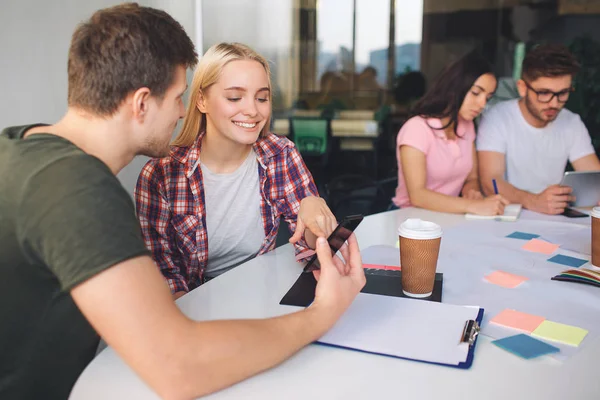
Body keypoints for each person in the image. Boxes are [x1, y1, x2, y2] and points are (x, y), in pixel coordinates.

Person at [0, 5, 365, 400]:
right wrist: (322, 314)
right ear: (141, 103)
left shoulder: (18, 147)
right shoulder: (76, 190)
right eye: (177, 97)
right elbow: (178, 367)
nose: (181, 110)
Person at [135, 43, 338, 298]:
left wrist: (313, 218)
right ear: (201, 100)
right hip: (194, 309)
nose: (253, 110)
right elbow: (163, 276)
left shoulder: (279, 154)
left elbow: (312, 252)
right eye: (234, 98)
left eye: (262, 98)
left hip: (262, 295)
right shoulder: (160, 176)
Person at [477, 44, 600, 215]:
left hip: (557, 218)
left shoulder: (571, 122)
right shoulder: (497, 118)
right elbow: (490, 182)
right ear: (522, 88)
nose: (554, 103)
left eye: (563, 93)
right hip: (508, 217)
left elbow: (594, 178)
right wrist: (533, 201)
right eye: (544, 93)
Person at [391, 51, 509, 215]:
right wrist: (472, 206)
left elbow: (471, 178)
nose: (482, 104)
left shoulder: (467, 126)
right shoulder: (417, 128)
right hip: (409, 218)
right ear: (454, 88)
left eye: (487, 97)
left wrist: (471, 191)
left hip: (448, 216)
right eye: (476, 93)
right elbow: (418, 196)